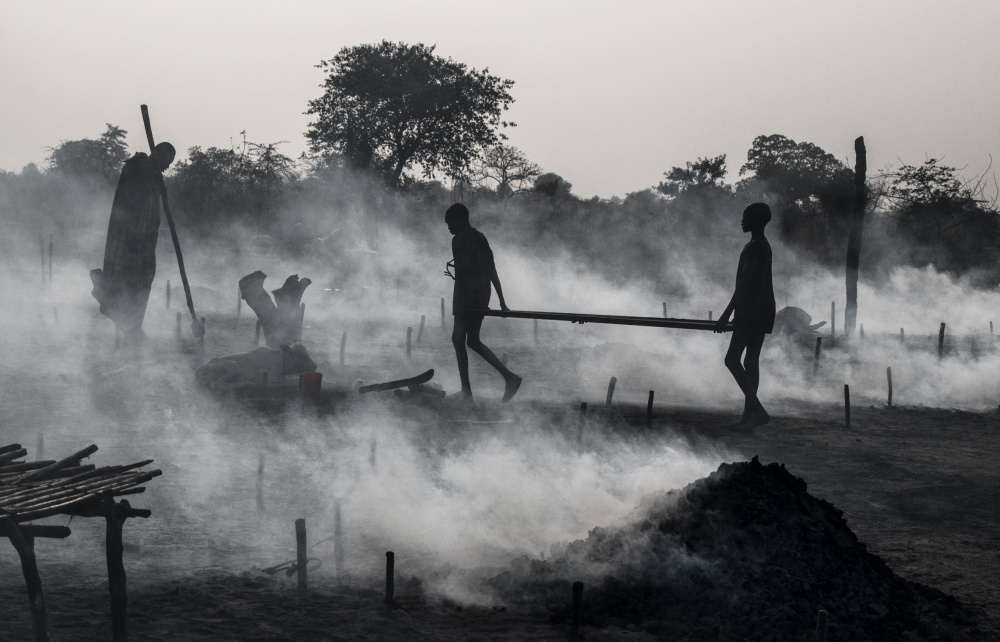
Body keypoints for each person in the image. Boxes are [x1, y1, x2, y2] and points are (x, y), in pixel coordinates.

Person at [90, 142, 176, 343]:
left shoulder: (153, 173)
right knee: (130, 277)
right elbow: (134, 197)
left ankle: (133, 324)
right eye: (167, 161)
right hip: (130, 238)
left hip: (145, 240)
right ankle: (120, 312)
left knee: (143, 277)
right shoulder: (137, 166)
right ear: (158, 154)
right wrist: (152, 175)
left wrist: (156, 179)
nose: (168, 166)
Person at [445, 203, 522, 402]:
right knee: (471, 340)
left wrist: (469, 301)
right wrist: (501, 301)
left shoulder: (459, 240)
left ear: (461, 220)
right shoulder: (480, 237)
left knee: (459, 339)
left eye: (450, 223)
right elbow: (492, 270)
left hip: (467, 297)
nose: (449, 228)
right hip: (481, 295)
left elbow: (464, 272)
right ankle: (508, 377)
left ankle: (467, 393)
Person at [714, 202, 776, 429]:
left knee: (732, 359)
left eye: (746, 217)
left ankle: (757, 412)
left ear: (757, 221)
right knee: (750, 361)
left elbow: (744, 285)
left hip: (752, 311)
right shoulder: (761, 245)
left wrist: (725, 314)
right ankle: (749, 417)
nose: (742, 221)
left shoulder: (756, 247)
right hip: (761, 309)